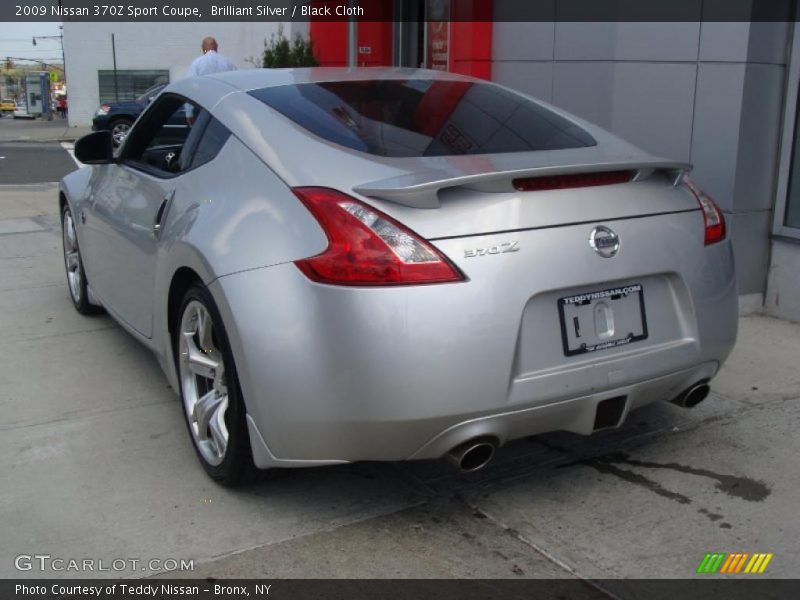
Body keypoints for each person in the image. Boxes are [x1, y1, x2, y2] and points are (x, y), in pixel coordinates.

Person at [185, 37, 236, 123]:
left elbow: (190, 87)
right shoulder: (228, 62)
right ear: (216, 47)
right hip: (225, 109)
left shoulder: (197, 63)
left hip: (203, 107)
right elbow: (235, 85)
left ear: (203, 48)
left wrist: (189, 112)